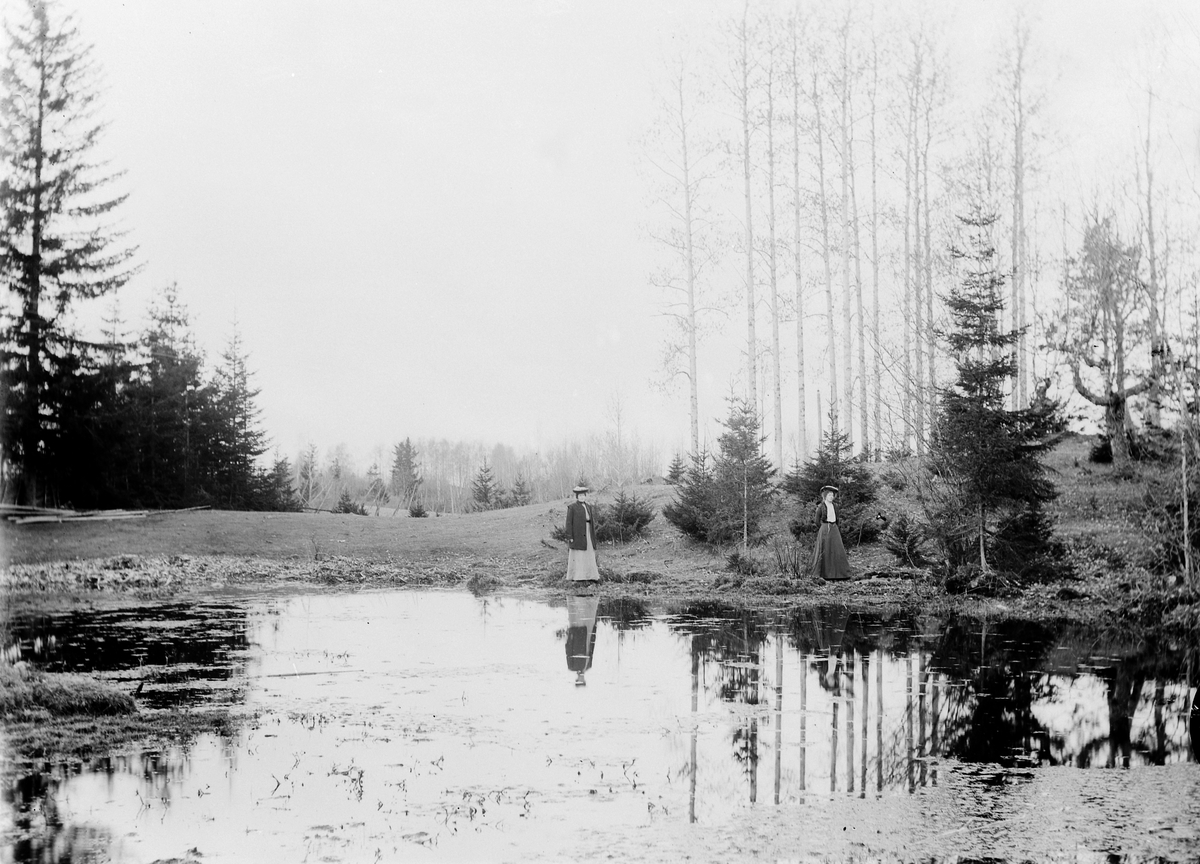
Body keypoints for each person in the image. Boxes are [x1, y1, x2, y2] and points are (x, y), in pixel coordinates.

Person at [811, 485, 850, 581]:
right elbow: (816, 520)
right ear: (825, 496)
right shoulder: (821, 507)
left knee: (837, 549)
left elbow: (837, 519)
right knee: (825, 550)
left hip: (834, 528)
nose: (831, 497)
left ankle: (839, 574)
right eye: (829, 495)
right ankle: (824, 574)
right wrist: (823, 528)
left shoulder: (835, 506)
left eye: (832, 495)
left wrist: (835, 527)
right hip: (825, 528)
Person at [564, 485, 600, 583]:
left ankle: (590, 575)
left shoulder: (588, 507)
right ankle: (578, 576)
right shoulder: (572, 507)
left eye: (583, 496)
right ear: (577, 497)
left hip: (588, 532)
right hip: (578, 533)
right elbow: (568, 522)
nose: (582, 497)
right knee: (578, 554)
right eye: (580, 496)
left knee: (588, 551)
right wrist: (570, 536)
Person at [565, 594, 599, 685]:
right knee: (579, 616)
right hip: (579, 634)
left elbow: (569, 650)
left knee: (584, 617)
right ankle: (579, 599)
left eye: (580, 679)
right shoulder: (576, 666)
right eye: (582, 680)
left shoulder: (576, 666)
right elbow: (569, 651)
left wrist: (569, 638)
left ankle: (582, 599)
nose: (581, 677)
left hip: (581, 634)